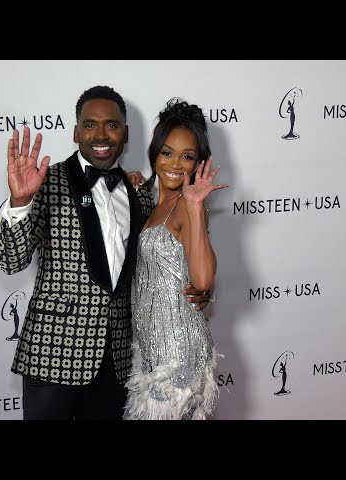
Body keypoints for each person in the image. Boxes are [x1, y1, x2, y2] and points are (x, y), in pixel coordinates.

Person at [0, 86, 212, 420]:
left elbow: (160, 263)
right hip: (52, 358)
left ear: (125, 135)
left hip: (117, 364)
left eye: (111, 125)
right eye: (89, 124)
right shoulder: (46, 182)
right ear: (75, 131)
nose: (100, 134)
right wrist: (21, 202)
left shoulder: (141, 194)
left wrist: (199, 288)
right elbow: (11, 260)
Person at [124, 98, 227, 420]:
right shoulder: (154, 204)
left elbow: (203, 281)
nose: (174, 164)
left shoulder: (187, 205)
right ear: (155, 153)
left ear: (199, 163)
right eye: (167, 152)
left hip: (178, 350)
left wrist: (196, 206)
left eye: (187, 156)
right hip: (152, 346)